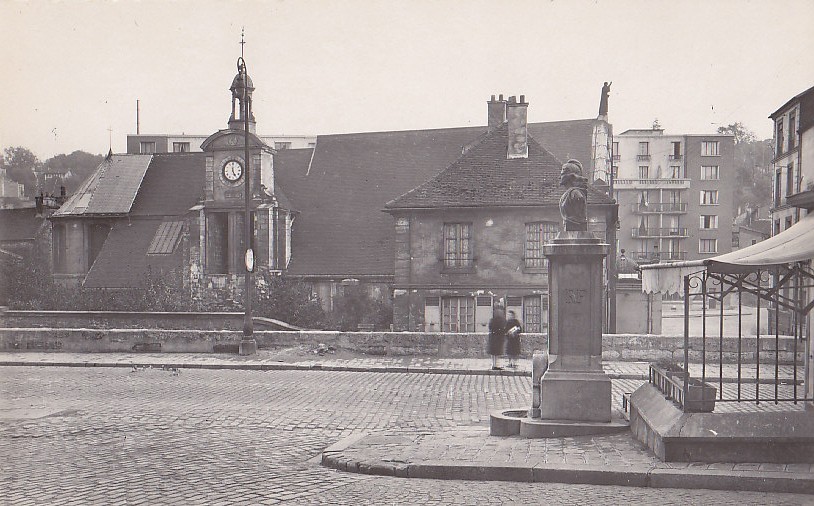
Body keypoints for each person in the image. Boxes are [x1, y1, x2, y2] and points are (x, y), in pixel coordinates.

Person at [487, 306, 507, 370]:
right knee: (495, 352)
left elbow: (490, 327)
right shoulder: (500, 320)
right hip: (497, 338)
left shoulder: (493, 320)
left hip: (494, 337)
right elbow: (503, 329)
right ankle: (494, 365)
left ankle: (494, 364)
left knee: (494, 353)